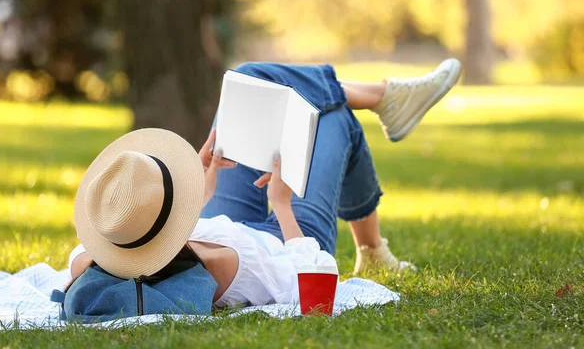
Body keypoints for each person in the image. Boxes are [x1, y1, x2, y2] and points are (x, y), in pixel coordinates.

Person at [67, 59, 462, 309]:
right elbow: (313, 275)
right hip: (287, 238)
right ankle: (371, 245)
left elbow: (89, 257)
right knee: (338, 119)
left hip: (214, 223)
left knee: (246, 78)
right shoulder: (227, 267)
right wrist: (283, 203)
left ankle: (381, 98)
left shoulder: (117, 239)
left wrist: (200, 185)